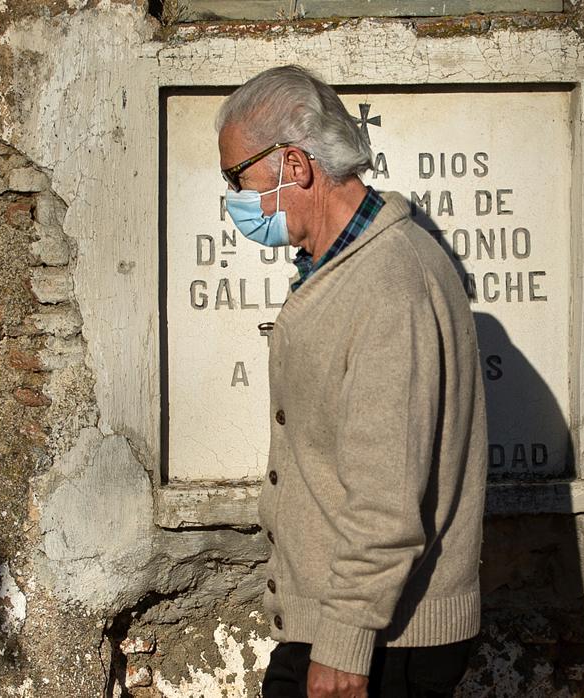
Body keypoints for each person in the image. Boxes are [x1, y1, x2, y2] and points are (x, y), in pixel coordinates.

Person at [214, 66, 488, 698]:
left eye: (238, 177)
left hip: (381, 641)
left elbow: (385, 500)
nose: (234, 196)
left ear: (295, 165)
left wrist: (343, 647)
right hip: (350, 627)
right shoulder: (338, 267)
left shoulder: (389, 284)